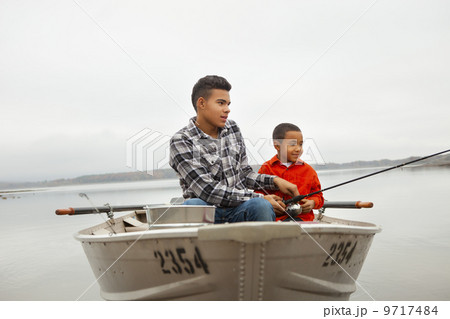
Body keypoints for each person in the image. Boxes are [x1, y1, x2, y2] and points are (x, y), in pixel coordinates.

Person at [169, 75, 300, 223]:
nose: (227, 109)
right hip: (208, 210)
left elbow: (244, 174)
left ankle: (263, 246)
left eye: (228, 104)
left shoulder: (232, 128)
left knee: (261, 206)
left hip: (239, 208)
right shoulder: (181, 140)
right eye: (221, 103)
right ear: (202, 103)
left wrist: (276, 181)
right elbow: (208, 190)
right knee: (193, 205)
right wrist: (259, 197)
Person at [256, 123, 324, 221]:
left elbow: (319, 196)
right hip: (275, 221)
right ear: (277, 146)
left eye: (300, 144)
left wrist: (312, 203)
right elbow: (258, 194)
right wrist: (269, 202)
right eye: (292, 144)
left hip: (303, 220)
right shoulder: (266, 169)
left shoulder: (309, 171)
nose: (298, 149)